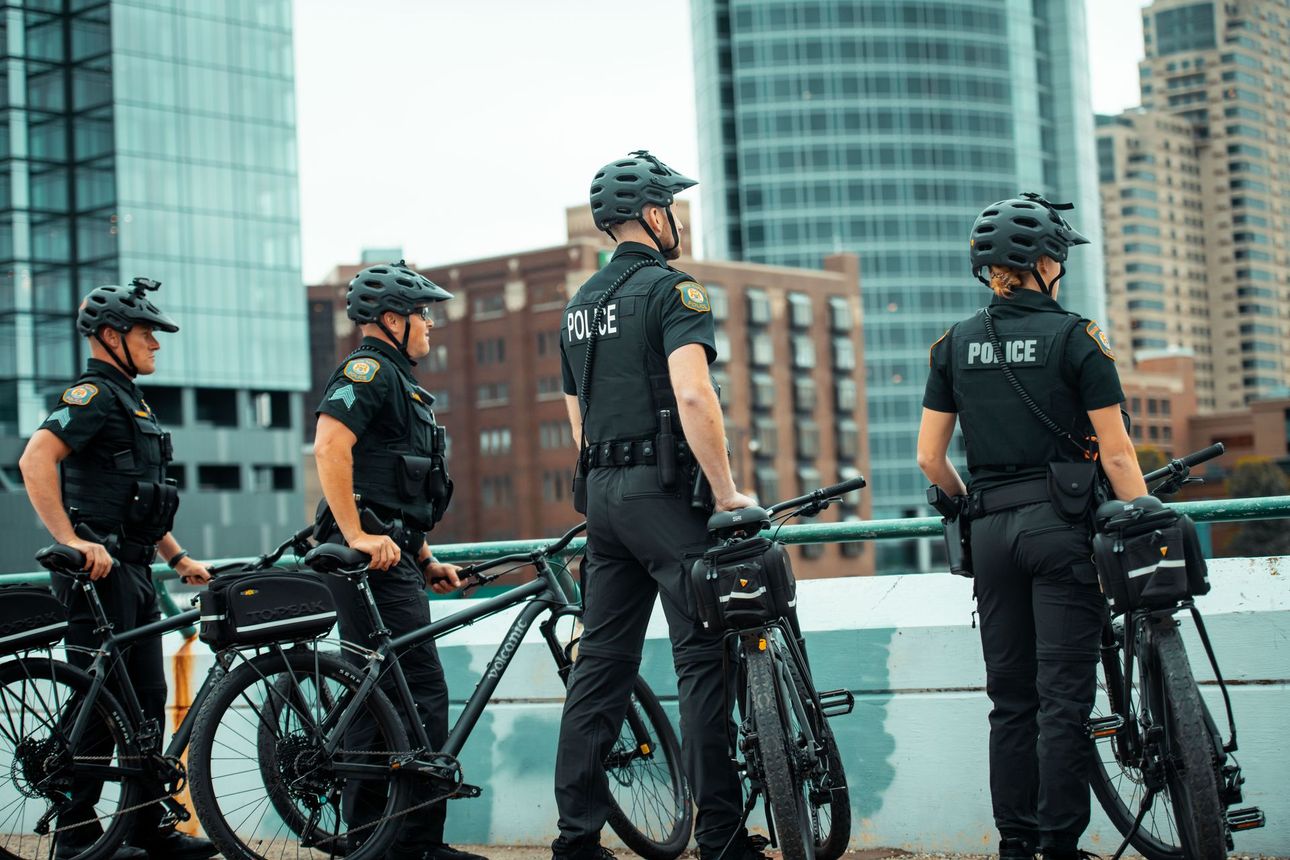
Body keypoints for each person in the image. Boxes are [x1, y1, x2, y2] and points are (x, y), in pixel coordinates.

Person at [917, 194, 1148, 860]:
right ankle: (1057, 846)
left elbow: (931, 459)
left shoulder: (953, 344)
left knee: (1010, 701)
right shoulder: (1078, 338)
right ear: (1043, 261)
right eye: (1059, 256)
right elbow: (1118, 451)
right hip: (1061, 527)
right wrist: (1142, 513)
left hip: (989, 532)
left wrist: (965, 501)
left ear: (986, 269)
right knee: (1062, 701)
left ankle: (1016, 845)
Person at [551, 151, 760, 860]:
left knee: (601, 667)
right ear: (650, 213)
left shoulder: (577, 308)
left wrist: (604, 483)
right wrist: (727, 492)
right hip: (666, 495)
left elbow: (576, 419)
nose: (677, 220)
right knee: (703, 659)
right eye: (672, 207)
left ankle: (575, 840)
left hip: (602, 501)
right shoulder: (676, 292)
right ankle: (722, 839)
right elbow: (695, 395)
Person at [18, 278, 217, 860]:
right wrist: (71, 541)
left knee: (145, 700)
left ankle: (142, 826)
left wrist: (176, 557)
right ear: (111, 335)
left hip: (132, 567)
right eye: (145, 333)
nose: (156, 344)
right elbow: (36, 460)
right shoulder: (93, 395)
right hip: (96, 572)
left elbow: (143, 496)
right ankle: (74, 837)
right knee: (98, 705)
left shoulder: (131, 399)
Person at [313, 260, 484, 860]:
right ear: (391, 320)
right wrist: (356, 533)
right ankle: (392, 844)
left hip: (395, 554)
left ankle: (391, 842)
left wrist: (428, 557)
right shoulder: (367, 371)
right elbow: (331, 445)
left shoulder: (398, 380)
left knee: (393, 694)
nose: (430, 325)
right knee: (408, 692)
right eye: (422, 314)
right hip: (369, 561)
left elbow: (395, 493)